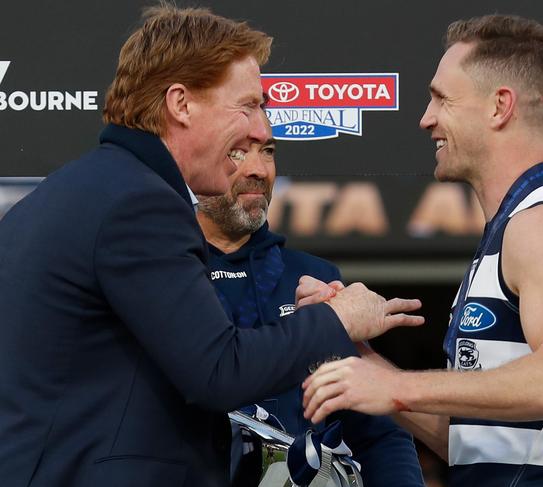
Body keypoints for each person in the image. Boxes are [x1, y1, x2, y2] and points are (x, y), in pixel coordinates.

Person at [0, 5, 423, 486]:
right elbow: (220, 372)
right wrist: (340, 318)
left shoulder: (64, 196)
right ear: (181, 104)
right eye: (247, 106)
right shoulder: (138, 202)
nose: (262, 129)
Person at [301, 14, 543, 486]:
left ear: (499, 107)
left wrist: (398, 386)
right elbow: (467, 444)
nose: (425, 118)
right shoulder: (513, 228)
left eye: (441, 98)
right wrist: (358, 357)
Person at [195, 126, 425, 486]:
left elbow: (377, 432)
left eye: (268, 151)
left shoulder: (315, 277)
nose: (259, 169)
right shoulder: (164, 278)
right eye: (238, 153)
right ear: (193, 163)